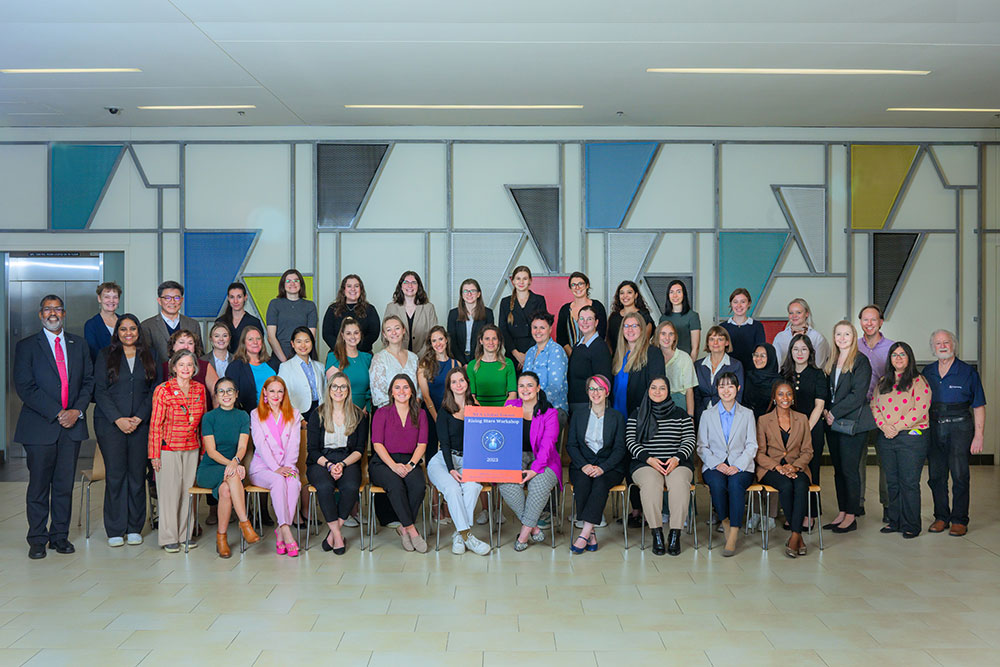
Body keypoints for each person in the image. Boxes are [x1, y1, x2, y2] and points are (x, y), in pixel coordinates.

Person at [14, 295, 95, 560]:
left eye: (57, 309)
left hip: (71, 427)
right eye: (48, 309)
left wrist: (76, 411)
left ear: (64, 312)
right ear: (40, 314)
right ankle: (37, 538)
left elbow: (88, 382)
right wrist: (58, 413)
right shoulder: (27, 346)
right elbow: (25, 386)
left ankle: (59, 536)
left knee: (63, 485)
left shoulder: (79, 344)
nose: (53, 313)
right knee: (38, 485)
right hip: (40, 427)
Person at [94, 314, 160, 547]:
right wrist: (118, 419)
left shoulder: (150, 355)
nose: (128, 333)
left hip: (141, 425)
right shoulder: (105, 355)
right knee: (115, 475)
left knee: (136, 476)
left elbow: (155, 390)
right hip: (110, 425)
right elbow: (99, 391)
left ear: (139, 332)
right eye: (123, 329)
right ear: (117, 332)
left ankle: (134, 527)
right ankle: (115, 528)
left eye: (133, 328)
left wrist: (140, 417)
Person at [922, 329, 987, 537]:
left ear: (954, 345)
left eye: (946, 342)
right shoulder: (927, 372)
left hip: (960, 427)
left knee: (960, 475)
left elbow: (978, 406)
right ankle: (941, 517)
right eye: (938, 343)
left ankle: (959, 519)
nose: (942, 346)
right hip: (933, 428)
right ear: (933, 348)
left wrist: (979, 435)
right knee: (936, 476)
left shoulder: (968, 372)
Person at [626, 376, 696, 556]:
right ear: (648, 390)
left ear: (668, 391)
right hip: (645, 463)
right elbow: (630, 441)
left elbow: (689, 440)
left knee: (680, 483)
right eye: (653, 387)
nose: (657, 392)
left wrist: (677, 458)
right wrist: (649, 459)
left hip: (677, 462)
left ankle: (675, 534)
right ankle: (656, 533)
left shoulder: (681, 414)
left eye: (662, 388)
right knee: (651, 484)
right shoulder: (638, 413)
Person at [426, 367, 492, 555]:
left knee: (472, 487)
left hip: (469, 461)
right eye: (454, 382)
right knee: (453, 488)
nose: (458, 384)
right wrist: (451, 469)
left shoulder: (477, 410)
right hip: (443, 461)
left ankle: (459, 535)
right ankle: (468, 537)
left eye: (461, 380)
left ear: (467, 383)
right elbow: (444, 444)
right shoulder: (444, 412)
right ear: (449, 386)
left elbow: (483, 441)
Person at [148, 350, 206, 553]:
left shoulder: (199, 389)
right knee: (169, 494)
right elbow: (155, 424)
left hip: (192, 447)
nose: (186, 369)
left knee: (187, 493)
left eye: (190, 365)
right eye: (181, 365)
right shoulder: (163, 390)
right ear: (173, 367)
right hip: (168, 448)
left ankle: (185, 535)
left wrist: (203, 451)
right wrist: (154, 454)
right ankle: (169, 537)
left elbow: (202, 422)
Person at [195, 377, 260, 558]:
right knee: (232, 477)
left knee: (225, 490)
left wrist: (236, 461)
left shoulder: (242, 416)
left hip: (230, 467)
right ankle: (245, 523)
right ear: (216, 395)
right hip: (209, 469)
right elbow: (211, 451)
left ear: (236, 394)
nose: (226, 395)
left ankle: (221, 538)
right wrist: (233, 464)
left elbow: (242, 447)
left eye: (230, 390)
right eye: (221, 391)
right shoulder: (209, 417)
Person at [871, 342, 930, 539]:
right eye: (894, 355)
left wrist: (896, 427)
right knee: (892, 482)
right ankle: (894, 521)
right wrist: (884, 426)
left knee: (909, 482)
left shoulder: (918, 381)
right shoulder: (883, 381)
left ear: (909, 358)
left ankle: (911, 524)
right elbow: (874, 406)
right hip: (886, 437)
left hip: (911, 437)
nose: (898, 358)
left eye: (902, 354)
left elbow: (920, 409)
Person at [306, 372, 368, 554]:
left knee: (351, 486)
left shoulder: (358, 415)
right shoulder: (317, 414)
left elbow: (359, 449)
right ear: (329, 389)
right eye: (335, 386)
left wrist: (342, 464)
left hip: (348, 459)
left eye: (343, 386)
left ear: (348, 390)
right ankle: (338, 535)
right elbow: (312, 449)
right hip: (321, 461)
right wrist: (329, 465)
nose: (338, 390)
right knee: (324, 487)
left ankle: (333, 534)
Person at [499, 372, 562, 551]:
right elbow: (503, 435)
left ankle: (524, 535)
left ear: (538, 388)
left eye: (529, 385)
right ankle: (534, 527)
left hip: (545, 459)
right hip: (516, 456)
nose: (525, 389)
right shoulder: (510, 405)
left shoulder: (550, 413)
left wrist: (535, 470)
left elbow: (548, 446)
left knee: (538, 485)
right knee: (506, 481)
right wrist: (506, 417)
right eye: (521, 386)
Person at [697, 372, 757, 557]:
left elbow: (751, 445)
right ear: (717, 389)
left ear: (738, 389)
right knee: (717, 484)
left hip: (741, 465)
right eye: (722, 386)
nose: (726, 390)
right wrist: (717, 464)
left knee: (735, 484)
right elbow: (701, 446)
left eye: (730, 386)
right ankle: (724, 521)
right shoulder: (707, 415)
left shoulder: (747, 414)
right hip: (715, 464)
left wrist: (737, 466)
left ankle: (734, 532)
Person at [822, 320, 873, 534]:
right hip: (832, 424)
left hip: (851, 424)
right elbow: (827, 390)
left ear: (854, 337)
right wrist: (825, 410)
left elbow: (857, 395)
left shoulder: (861, 362)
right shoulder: (831, 360)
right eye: (838, 334)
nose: (842, 338)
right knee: (838, 471)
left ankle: (851, 515)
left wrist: (833, 413)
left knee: (850, 470)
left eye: (847, 334)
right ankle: (842, 511)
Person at [567, 375, 627, 554]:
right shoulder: (579, 415)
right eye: (592, 388)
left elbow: (619, 449)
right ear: (587, 392)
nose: (596, 393)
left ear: (607, 392)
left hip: (610, 466)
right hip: (581, 464)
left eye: (600, 389)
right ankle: (591, 533)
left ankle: (584, 533)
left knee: (600, 484)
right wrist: (583, 465)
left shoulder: (616, 417)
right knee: (583, 482)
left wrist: (603, 467)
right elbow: (571, 445)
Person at [369, 374, 429, 552]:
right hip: (383, 462)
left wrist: (411, 465)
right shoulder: (382, 412)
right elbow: (377, 444)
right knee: (395, 484)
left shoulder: (421, 413)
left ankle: (402, 528)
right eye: (397, 387)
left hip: (410, 460)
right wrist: (393, 466)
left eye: (406, 387)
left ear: (412, 391)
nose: (401, 391)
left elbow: (422, 444)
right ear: (391, 392)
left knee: (418, 486)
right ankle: (412, 530)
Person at [756, 381, 814, 558]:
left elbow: (808, 450)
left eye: (788, 394)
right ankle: (798, 537)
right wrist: (778, 467)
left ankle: (794, 535)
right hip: (771, 469)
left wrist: (795, 466)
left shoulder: (802, 419)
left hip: (797, 466)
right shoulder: (764, 420)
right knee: (786, 486)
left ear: (793, 397)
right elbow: (759, 453)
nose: (785, 398)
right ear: (774, 397)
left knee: (801, 485)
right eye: (780, 394)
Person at [249, 376, 302, 557]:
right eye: (272, 391)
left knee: (294, 482)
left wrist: (288, 466)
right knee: (279, 480)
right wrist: (275, 468)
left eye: (280, 391)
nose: (276, 395)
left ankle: (280, 531)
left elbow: (295, 443)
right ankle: (286, 531)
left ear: (284, 393)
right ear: (264, 392)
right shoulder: (256, 414)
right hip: (262, 468)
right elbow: (260, 445)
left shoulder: (294, 414)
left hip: (287, 465)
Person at [780, 333, 829, 525]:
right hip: (786, 431)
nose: (799, 353)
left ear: (810, 352)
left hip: (811, 430)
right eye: (795, 349)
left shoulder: (818, 374)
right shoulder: (784, 374)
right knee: (790, 471)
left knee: (810, 470)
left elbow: (819, 406)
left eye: (804, 349)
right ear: (790, 352)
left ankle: (811, 514)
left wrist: (805, 430)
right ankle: (793, 513)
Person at [857, 304, 894, 521]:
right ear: (860, 322)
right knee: (857, 459)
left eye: (874, 320)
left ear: (881, 322)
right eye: (865, 319)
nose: (869, 323)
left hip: (884, 411)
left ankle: (888, 506)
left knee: (885, 460)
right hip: (860, 410)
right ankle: (857, 504)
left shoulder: (891, 348)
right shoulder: (853, 346)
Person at [612, 312, 666, 419]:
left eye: (634, 326)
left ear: (642, 329)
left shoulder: (653, 353)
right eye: (626, 326)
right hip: (616, 414)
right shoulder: (618, 354)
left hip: (640, 415)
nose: (629, 330)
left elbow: (657, 388)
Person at [417, 326, 460, 460]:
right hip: (432, 412)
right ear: (431, 344)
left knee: (450, 447)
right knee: (431, 446)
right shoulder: (424, 364)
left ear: (446, 340)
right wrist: (437, 418)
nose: (438, 343)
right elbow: (425, 396)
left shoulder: (455, 364)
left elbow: (459, 392)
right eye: (434, 341)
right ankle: (430, 479)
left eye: (440, 339)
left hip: (451, 412)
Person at [497, 265, 548, 367]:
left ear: (530, 281)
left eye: (525, 279)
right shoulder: (505, 302)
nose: (521, 282)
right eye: (518, 278)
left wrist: (527, 355)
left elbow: (542, 328)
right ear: (513, 281)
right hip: (512, 352)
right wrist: (516, 354)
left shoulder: (539, 300)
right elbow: (503, 330)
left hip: (535, 351)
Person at [141, 280, 203, 362]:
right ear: (159, 300)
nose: (172, 302)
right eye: (167, 298)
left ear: (181, 300)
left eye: (177, 298)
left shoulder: (193, 324)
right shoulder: (147, 326)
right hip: (158, 373)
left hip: (188, 372)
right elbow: (145, 357)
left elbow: (199, 353)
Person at [567, 305, 613, 415]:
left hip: (590, 406)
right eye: (582, 319)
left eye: (589, 319)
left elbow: (603, 381)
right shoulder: (578, 345)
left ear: (596, 322)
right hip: (575, 404)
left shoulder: (600, 347)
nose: (585, 322)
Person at [693, 326, 744, 422]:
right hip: (702, 416)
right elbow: (695, 394)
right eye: (712, 339)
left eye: (720, 339)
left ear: (727, 342)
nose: (715, 343)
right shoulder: (698, 365)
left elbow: (738, 393)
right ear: (708, 343)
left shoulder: (735, 365)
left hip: (727, 416)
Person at [266, 269, 317, 363]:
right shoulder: (274, 304)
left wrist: (299, 359)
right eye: (288, 281)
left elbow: (311, 337)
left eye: (296, 280)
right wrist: (285, 362)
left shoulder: (310, 306)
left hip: (303, 355)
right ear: (283, 285)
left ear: (301, 284)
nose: (292, 283)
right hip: (280, 357)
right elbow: (271, 337)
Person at [225, 325, 279, 414]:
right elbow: (232, 397)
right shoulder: (235, 367)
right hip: (250, 416)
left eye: (258, 339)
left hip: (276, 414)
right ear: (243, 343)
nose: (255, 342)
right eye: (250, 339)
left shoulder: (273, 363)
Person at [321, 274, 381, 354]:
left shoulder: (370, 309)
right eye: (349, 286)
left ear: (361, 289)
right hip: (338, 354)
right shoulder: (332, 309)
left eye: (356, 286)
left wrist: (355, 350)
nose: (353, 289)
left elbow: (373, 334)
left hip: (363, 354)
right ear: (343, 290)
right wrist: (343, 349)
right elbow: (327, 334)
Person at [369, 315, 420, 409]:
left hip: (413, 412)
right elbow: (378, 394)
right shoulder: (379, 358)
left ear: (403, 330)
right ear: (384, 334)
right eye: (388, 330)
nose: (393, 332)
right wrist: (399, 411)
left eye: (397, 328)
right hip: (389, 413)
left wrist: (412, 408)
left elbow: (419, 389)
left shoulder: (414, 358)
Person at [522, 311, 569, 413]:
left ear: (550, 329)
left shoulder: (556, 350)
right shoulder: (530, 352)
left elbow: (555, 386)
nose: (538, 331)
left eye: (542, 328)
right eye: (535, 327)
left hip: (553, 409)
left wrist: (537, 405)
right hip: (530, 409)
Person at [160, 329, 218, 411]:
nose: (186, 346)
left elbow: (217, 392)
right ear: (173, 346)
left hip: (201, 416)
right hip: (171, 419)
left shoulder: (205, 366)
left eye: (190, 343)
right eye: (181, 342)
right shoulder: (163, 368)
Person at [384, 270, 438, 355]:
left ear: (418, 286)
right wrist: (400, 356)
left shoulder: (428, 308)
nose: (410, 285)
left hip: (424, 358)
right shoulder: (391, 307)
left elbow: (434, 335)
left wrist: (419, 357)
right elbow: (385, 336)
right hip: (397, 357)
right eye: (406, 282)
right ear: (401, 286)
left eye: (414, 282)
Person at [278, 326, 325, 423]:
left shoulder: (320, 366)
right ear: (292, 344)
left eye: (307, 341)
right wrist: (300, 419)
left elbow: (325, 393)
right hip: (299, 414)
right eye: (299, 342)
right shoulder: (285, 367)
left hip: (320, 412)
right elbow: (283, 396)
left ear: (312, 342)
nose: (303, 345)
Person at [325, 317, 373, 410]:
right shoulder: (334, 357)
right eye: (348, 333)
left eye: (356, 333)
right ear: (342, 335)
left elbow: (372, 388)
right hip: (341, 410)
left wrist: (366, 407)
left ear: (360, 334)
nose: (353, 337)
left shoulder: (367, 358)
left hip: (364, 411)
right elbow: (334, 390)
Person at [557, 272, 608, 355]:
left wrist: (586, 354)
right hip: (571, 357)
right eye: (573, 285)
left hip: (594, 354)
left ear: (587, 285)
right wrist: (573, 355)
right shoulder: (565, 309)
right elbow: (561, 338)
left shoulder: (597, 306)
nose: (577, 287)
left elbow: (602, 333)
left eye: (580, 284)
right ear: (570, 288)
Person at [447, 278, 495, 365]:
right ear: (461, 295)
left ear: (478, 294)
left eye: (473, 291)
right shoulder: (453, 314)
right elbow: (452, 341)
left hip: (480, 359)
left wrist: (475, 362)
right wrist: (462, 363)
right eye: (465, 291)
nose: (469, 294)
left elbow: (488, 340)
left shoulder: (488, 313)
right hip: (457, 359)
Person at [467, 325, 517, 407]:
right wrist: (484, 414)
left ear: (499, 341)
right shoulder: (472, 365)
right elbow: (471, 396)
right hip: (479, 412)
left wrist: (501, 413)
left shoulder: (508, 363)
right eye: (487, 339)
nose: (491, 342)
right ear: (481, 341)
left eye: (494, 338)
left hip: (504, 410)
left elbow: (513, 394)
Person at [772, 298, 830, 369]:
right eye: (791, 313)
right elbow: (775, 364)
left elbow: (819, 365)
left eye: (798, 312)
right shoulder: (780, 337)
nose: (794, 316)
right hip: (785, 378)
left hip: (811, 378)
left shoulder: (817, 338)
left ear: (807, 314)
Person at [655, 321, 697, 416]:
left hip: (678, 402)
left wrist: (690, 417)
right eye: (663, 334)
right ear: (657, 335)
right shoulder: (651, 356)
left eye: (671, 334)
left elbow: (689, 391)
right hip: (656, 401)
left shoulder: (684, 358)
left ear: (675, 337)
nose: (667, 338)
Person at [720, 288, 765, 370]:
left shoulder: (757, 326)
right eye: (735, 302)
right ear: (731, 304)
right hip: (728, 372)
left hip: (751, 372)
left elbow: (760, 352)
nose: (739, 306)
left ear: (749, 303)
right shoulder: (723, 327)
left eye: (743, 302)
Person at [606, 280, 653, 356]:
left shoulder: (644, 316)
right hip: (616, 362)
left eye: (629, 292)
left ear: (636, 295)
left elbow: (644, 342)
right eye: (622, 293)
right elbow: (609, 341)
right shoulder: (614, 317)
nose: (625, 296)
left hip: (637, 360)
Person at [657, 279, 701, 356]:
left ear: (684, 294)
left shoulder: (693, 316)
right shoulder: (663, 318)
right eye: (671, 292)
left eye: (678, 292)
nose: (675, 295)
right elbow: (660, 344)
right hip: (666, 360)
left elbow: (695, 347)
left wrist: (689, 364)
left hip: (685, 360)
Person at [218, 282, 263, 355]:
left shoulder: (254, 322)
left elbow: (259, 348)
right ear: (228, 299)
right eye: (232, 297)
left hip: (247, 363)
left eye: (239, 297)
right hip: (224, 364)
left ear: (245, 297)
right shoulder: (220, 322)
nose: (235, 301)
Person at [84, 281, 122, 362]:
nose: (111, 301)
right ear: (99, 299)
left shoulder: (124, 321)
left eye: (115, 297)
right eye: (107, 297)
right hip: (102, 370)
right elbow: (93, 354)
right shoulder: (91, 325)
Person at [742, 344, 783, 419]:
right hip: (746, 421)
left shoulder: (779, 383)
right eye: (756, 355)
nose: (758, 358)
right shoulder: (746, 376)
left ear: (771, 358)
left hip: (768, 424)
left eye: (763, 356)